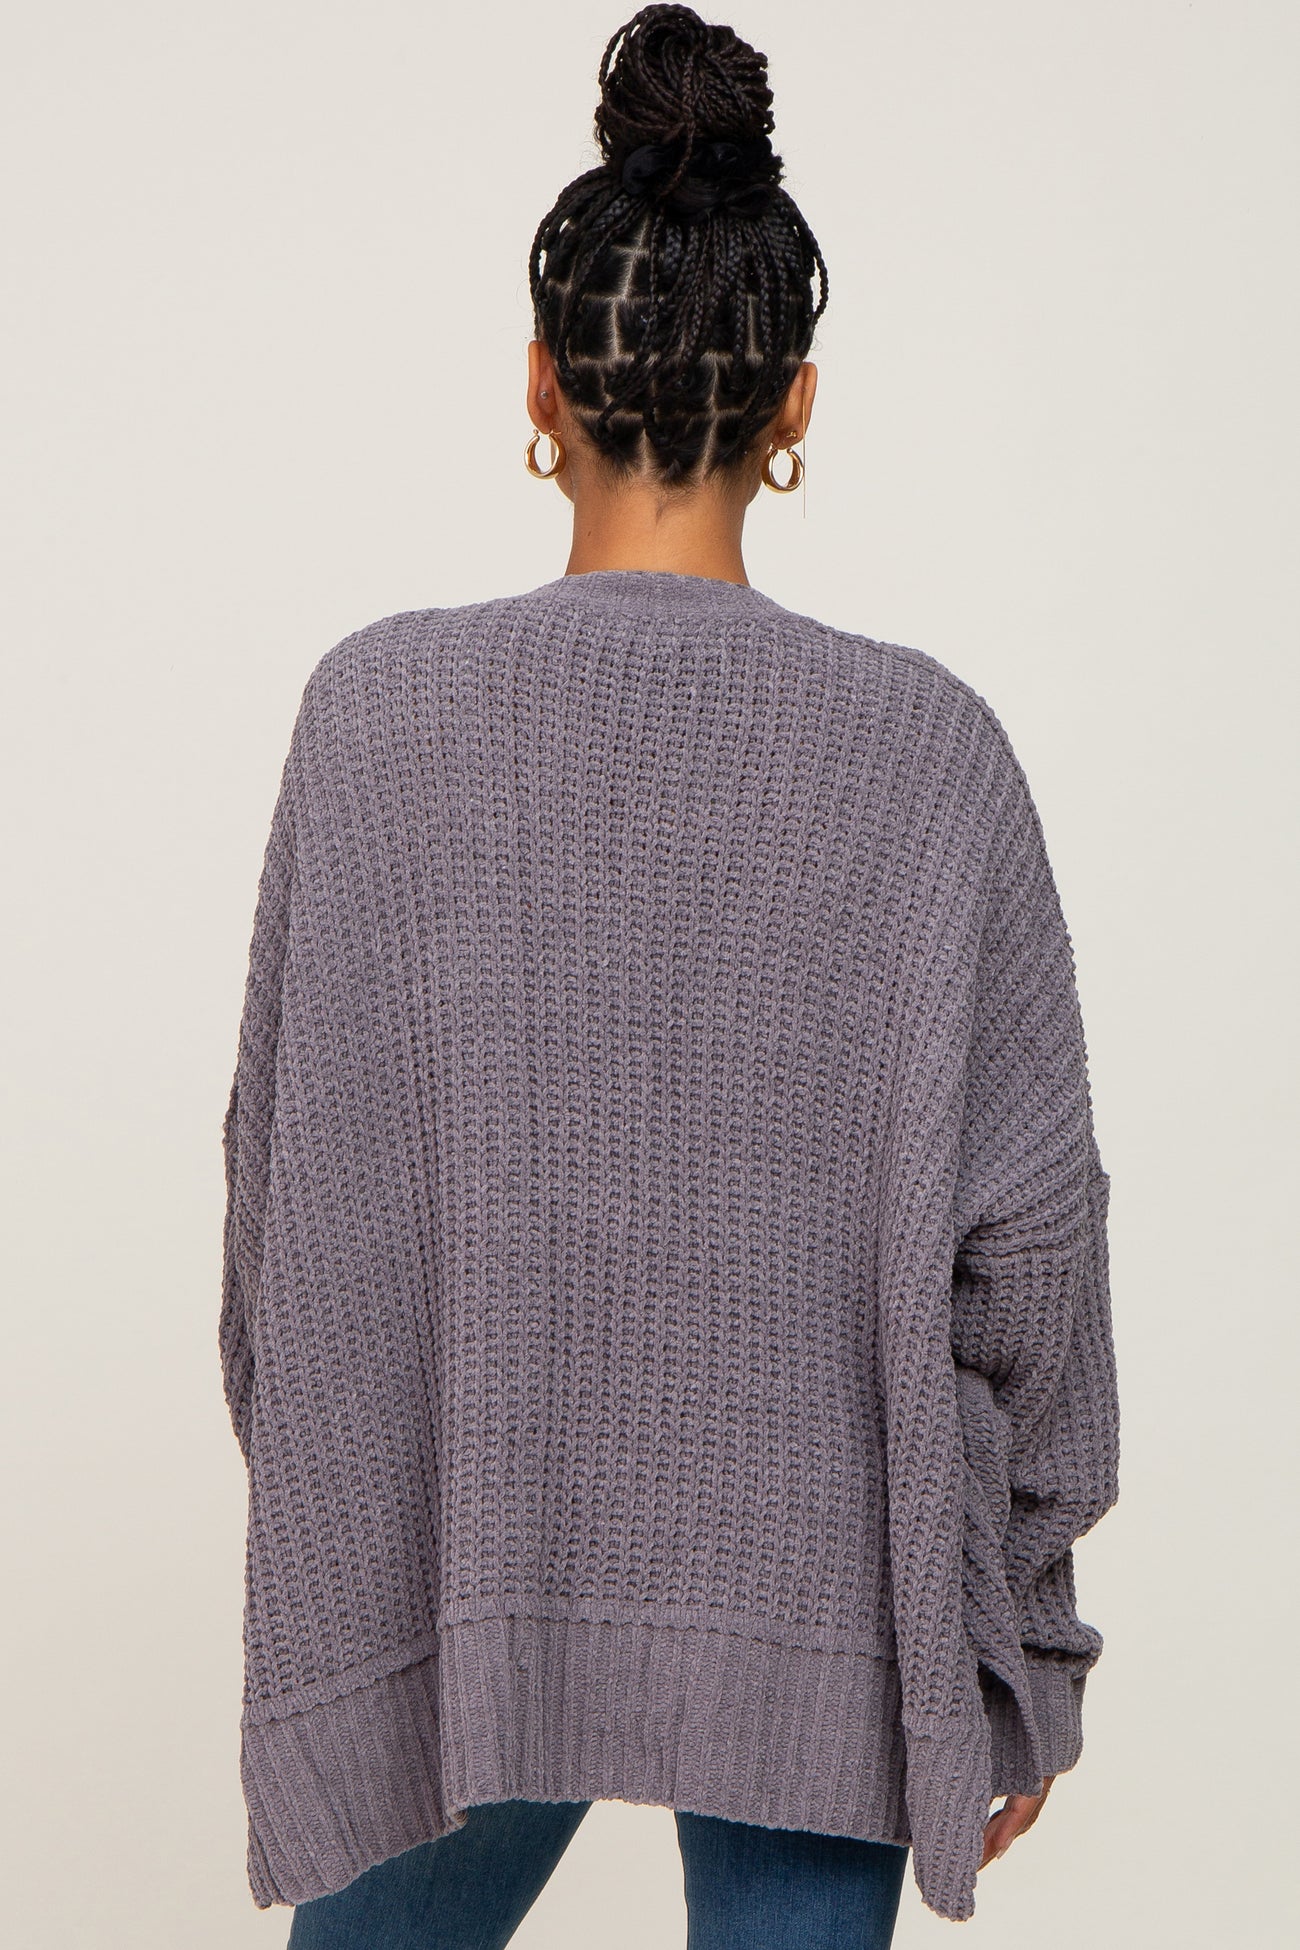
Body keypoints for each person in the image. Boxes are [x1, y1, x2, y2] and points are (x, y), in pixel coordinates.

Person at [219, 8, 1121, 1947]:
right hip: (824, 1599)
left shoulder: (373, 718)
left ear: (543, 381)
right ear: (794, 404)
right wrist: (1022, 1626)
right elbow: (1035, 1257)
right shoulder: (927, 753)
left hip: (457, 1560)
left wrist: (354, 1538)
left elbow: (280, 1218)